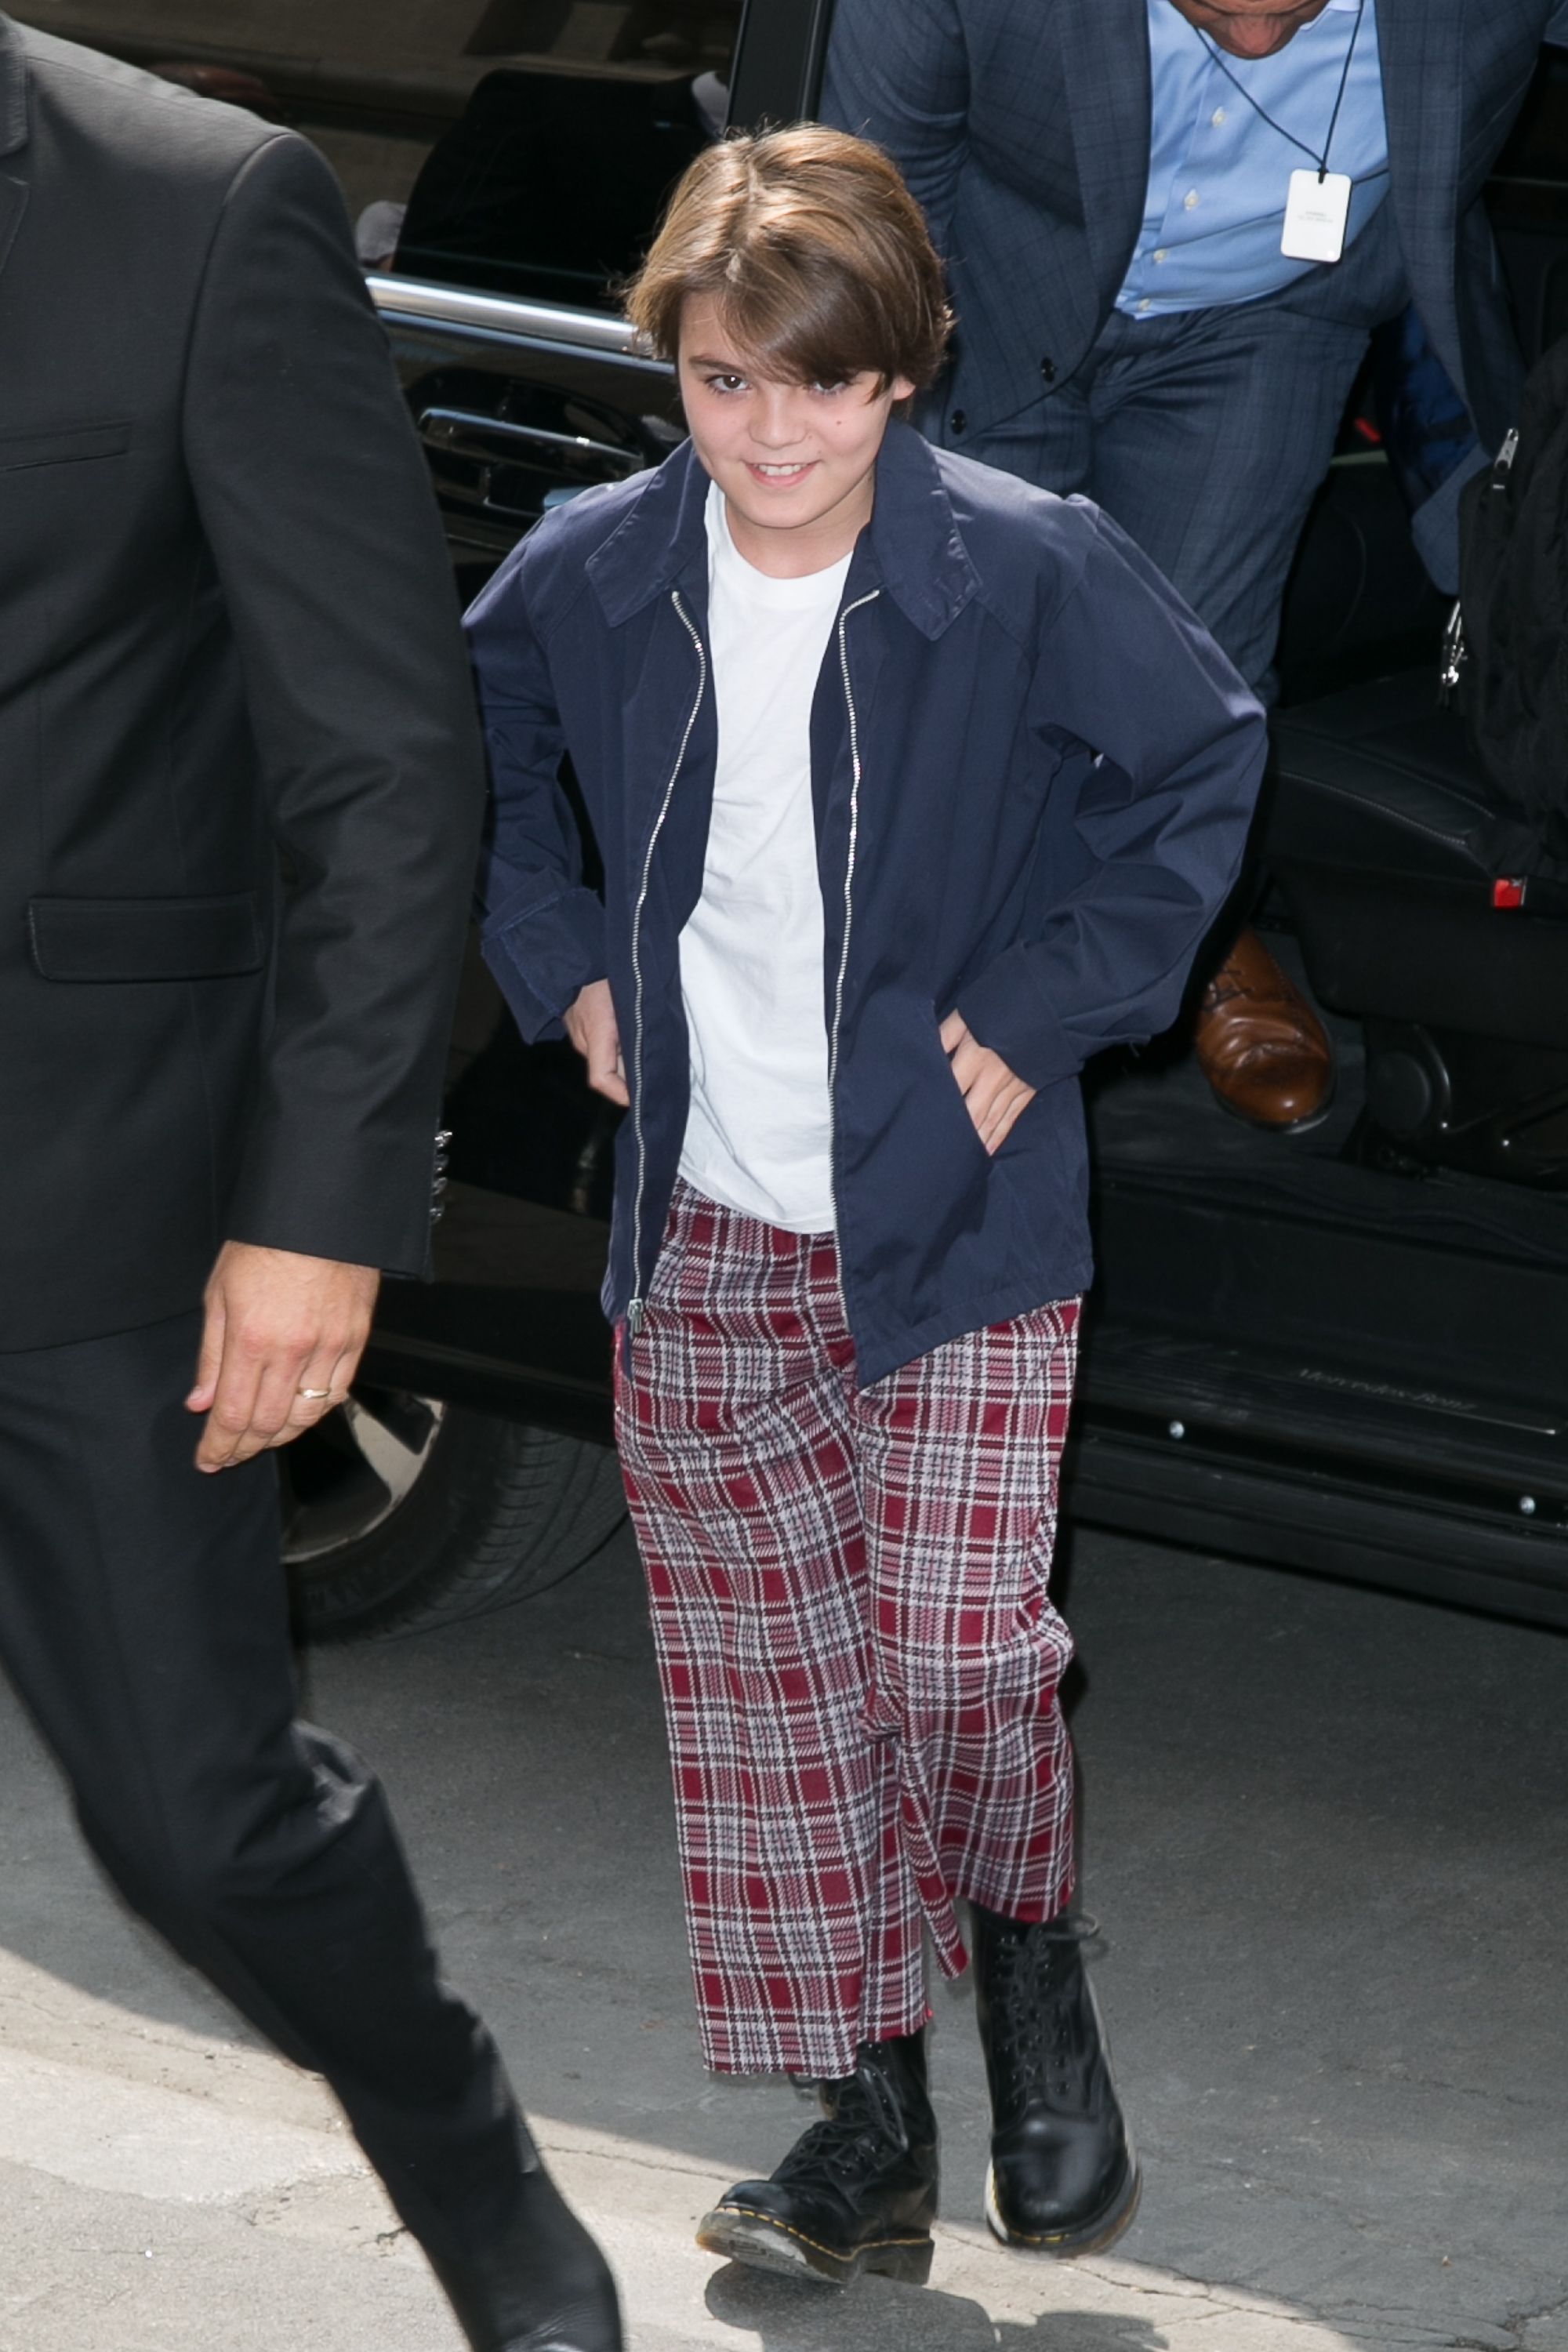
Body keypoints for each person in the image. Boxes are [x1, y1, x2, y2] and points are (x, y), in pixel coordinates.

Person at [469, 125, 1265, 2283]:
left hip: (961, 1223)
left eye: (817, 383)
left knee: (954, 1651)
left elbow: (1196, 766)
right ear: (677, 370)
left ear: (900, 372)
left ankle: (1029, 1966)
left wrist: (1052, 994)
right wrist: (555, 961)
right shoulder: (597, 566)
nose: (771, 432)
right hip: (704, 1224)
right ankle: (871, 2128)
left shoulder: (1025, 562)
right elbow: (475, 741)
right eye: (725, 381)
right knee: (776, 1689)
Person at [0, 20, 619, 2352]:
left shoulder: (196, 205)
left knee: (195, 1816)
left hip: (87, 1185)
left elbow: (382, 759)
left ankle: (466, 2167)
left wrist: (326, 1205)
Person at [822, 0, 1568, 1131]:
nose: (1264, 37)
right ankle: (908, 1023)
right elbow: (862, 220)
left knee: (1194, 693)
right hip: (980, 301)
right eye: (1218, 5)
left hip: (1267, 318)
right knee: (968, 700)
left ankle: (1186, 936)